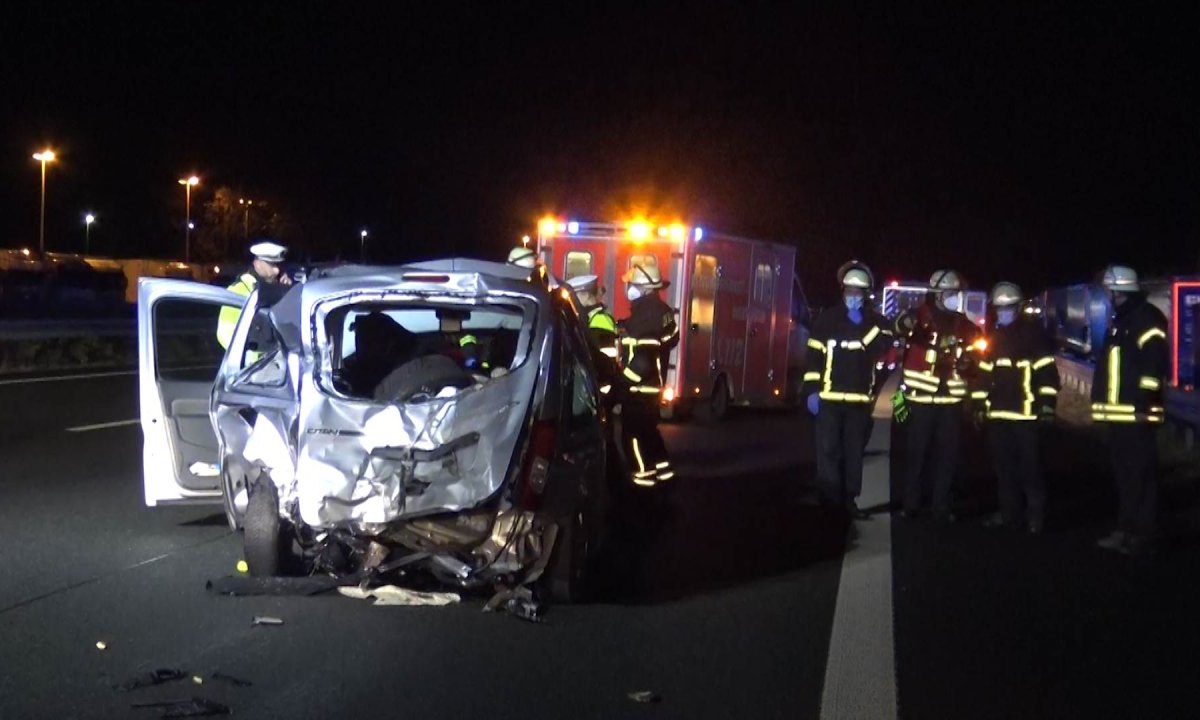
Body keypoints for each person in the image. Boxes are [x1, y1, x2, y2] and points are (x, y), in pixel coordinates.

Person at [801, 261, 890, 519]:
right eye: (849, 291)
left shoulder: (876, 322)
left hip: (860, 402)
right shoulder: (827, 320)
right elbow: (814, 357)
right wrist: (811, 391)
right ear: (842, 291)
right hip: (828, 399)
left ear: (867, 294)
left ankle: (849, 501)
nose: (853, 296)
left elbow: (882, 350)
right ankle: (829, 502)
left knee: (853, 454)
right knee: (828, 451)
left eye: (858, 292)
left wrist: (862, 324)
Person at [1091, 265, 1168, 555]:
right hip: (1120, 414)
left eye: (1108, 290)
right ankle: (1126, 530)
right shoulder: (1122, 320)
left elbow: (1153, 366)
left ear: (1117, 289)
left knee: (1140, 476)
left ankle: (1141, 535)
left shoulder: (1145, 319)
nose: (1107, 295)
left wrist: (1144, 404)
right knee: (1125, 477)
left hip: (1136, 414)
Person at [972, 282, 1060, 534]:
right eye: (999, 309)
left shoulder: (1034, 337)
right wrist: (979, 404)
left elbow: (1047, 377)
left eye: (1007, 308)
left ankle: (1036, 518)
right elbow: (984, 376)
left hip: (1027, 416)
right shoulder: (993, 339)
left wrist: (1046, 408)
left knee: (1031, 470)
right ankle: (1009, 514)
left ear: (1017, 308)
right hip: (998, 416)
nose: (1002, 313)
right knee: (1004, 471)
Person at [895, 269, 982, 522]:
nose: (953, 297)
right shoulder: (917, 317)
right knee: (916, 455)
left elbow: (978, 350)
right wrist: (907, 324)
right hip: (921, 400)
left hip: (951, 403)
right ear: (936, 293)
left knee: (947, 457)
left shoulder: (962, 323)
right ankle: (911, 505)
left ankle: (941, 507)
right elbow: (898, 326)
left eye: (956, 293)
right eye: (949, 292)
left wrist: (971, 364)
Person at [615, 263, 679, 486]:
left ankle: (642, 480)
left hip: (639, 387)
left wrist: (621, 383)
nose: (628, 288)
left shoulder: (645, 316)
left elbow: (643, 361)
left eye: (631, 284)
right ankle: (664, 473)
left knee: (632, 436)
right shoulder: (662, 312)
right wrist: (623, 326)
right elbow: (670, 339)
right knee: (649, 433)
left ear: (644, 287)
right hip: (652, 387)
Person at [216, 240, 292, 349]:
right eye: (271, 264)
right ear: (257, 264)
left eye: (279, 265)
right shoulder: (240, 289)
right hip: (255, 363)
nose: (276, 270)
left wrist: (288, 292)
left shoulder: (281, 286)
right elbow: (224, 333)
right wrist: (250, 356)